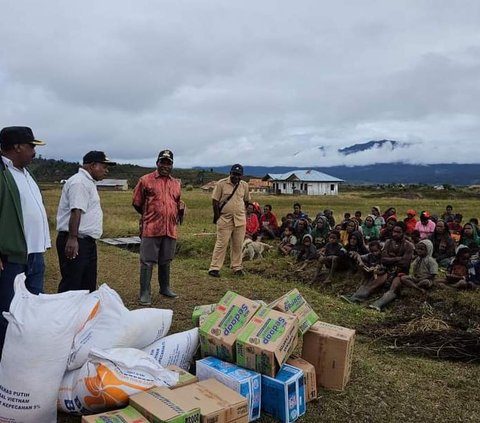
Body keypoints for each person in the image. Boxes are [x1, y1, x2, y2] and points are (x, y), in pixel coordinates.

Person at [0, 126, 50, 357]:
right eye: (31, 146)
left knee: (32, 310)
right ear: (17, 146)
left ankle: (23, 356)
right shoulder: (3, 171)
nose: (34, 151)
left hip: (34, 254)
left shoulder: (25, 173)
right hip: (11, 257)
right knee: (8, 312)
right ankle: (5, 360)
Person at [56, 151, 116, 293]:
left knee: (87, 285)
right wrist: (72, 238)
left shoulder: (88, 182)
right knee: (72, 285)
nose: (106, 171)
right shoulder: (80, 182)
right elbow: (76, 210)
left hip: (85, 241)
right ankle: (66, 315)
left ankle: (82, 315)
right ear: (92, 165)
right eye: (104, 167)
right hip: (77, 241)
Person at [132, 149, 183, 304]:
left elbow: (177, 202)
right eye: (163, 162)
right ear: (157, 163)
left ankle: (165, 287)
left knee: (166, 259)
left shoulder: (176, 183)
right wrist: (152, 215)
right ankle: (145, 292)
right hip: (151, 227)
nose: (165, 166)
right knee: (147, 260)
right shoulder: (145, 180)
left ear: (172, 165)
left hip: (170, 228)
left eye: (169, 163)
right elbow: (137, 202)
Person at [369, 239, 438, 311]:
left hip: (424, 278)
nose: (419, 251)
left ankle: (379, 304)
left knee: (424, 282)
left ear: (429, 250)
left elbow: (432, 274)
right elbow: (412, 269)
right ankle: (418, 288)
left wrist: (420, 278)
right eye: (418, 249)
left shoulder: (430, 261)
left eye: (422, 249)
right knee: (403, 278)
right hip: (413, 277)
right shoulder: (417, 259)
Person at [208, 164, 250, 277]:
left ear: (242, 176)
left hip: (240, 220)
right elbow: (215, 202)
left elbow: (246, 201)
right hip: (225, 219)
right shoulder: (221, 184)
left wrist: (240, 211)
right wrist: (218, 216)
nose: (236, 177)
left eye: (238, 175)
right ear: (230, 173)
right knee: (221, 244)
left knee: (238, 245)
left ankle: (237, 267)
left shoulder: (244, 185)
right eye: (234, 174)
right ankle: (214, 268)